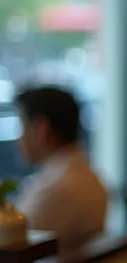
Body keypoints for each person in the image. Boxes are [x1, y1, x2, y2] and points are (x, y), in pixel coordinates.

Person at [14, 86, 108, 252]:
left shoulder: (57, 188)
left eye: (22, 127)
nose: (19, 139)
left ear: (41, 129)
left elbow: (12, 246)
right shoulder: (83, 175)